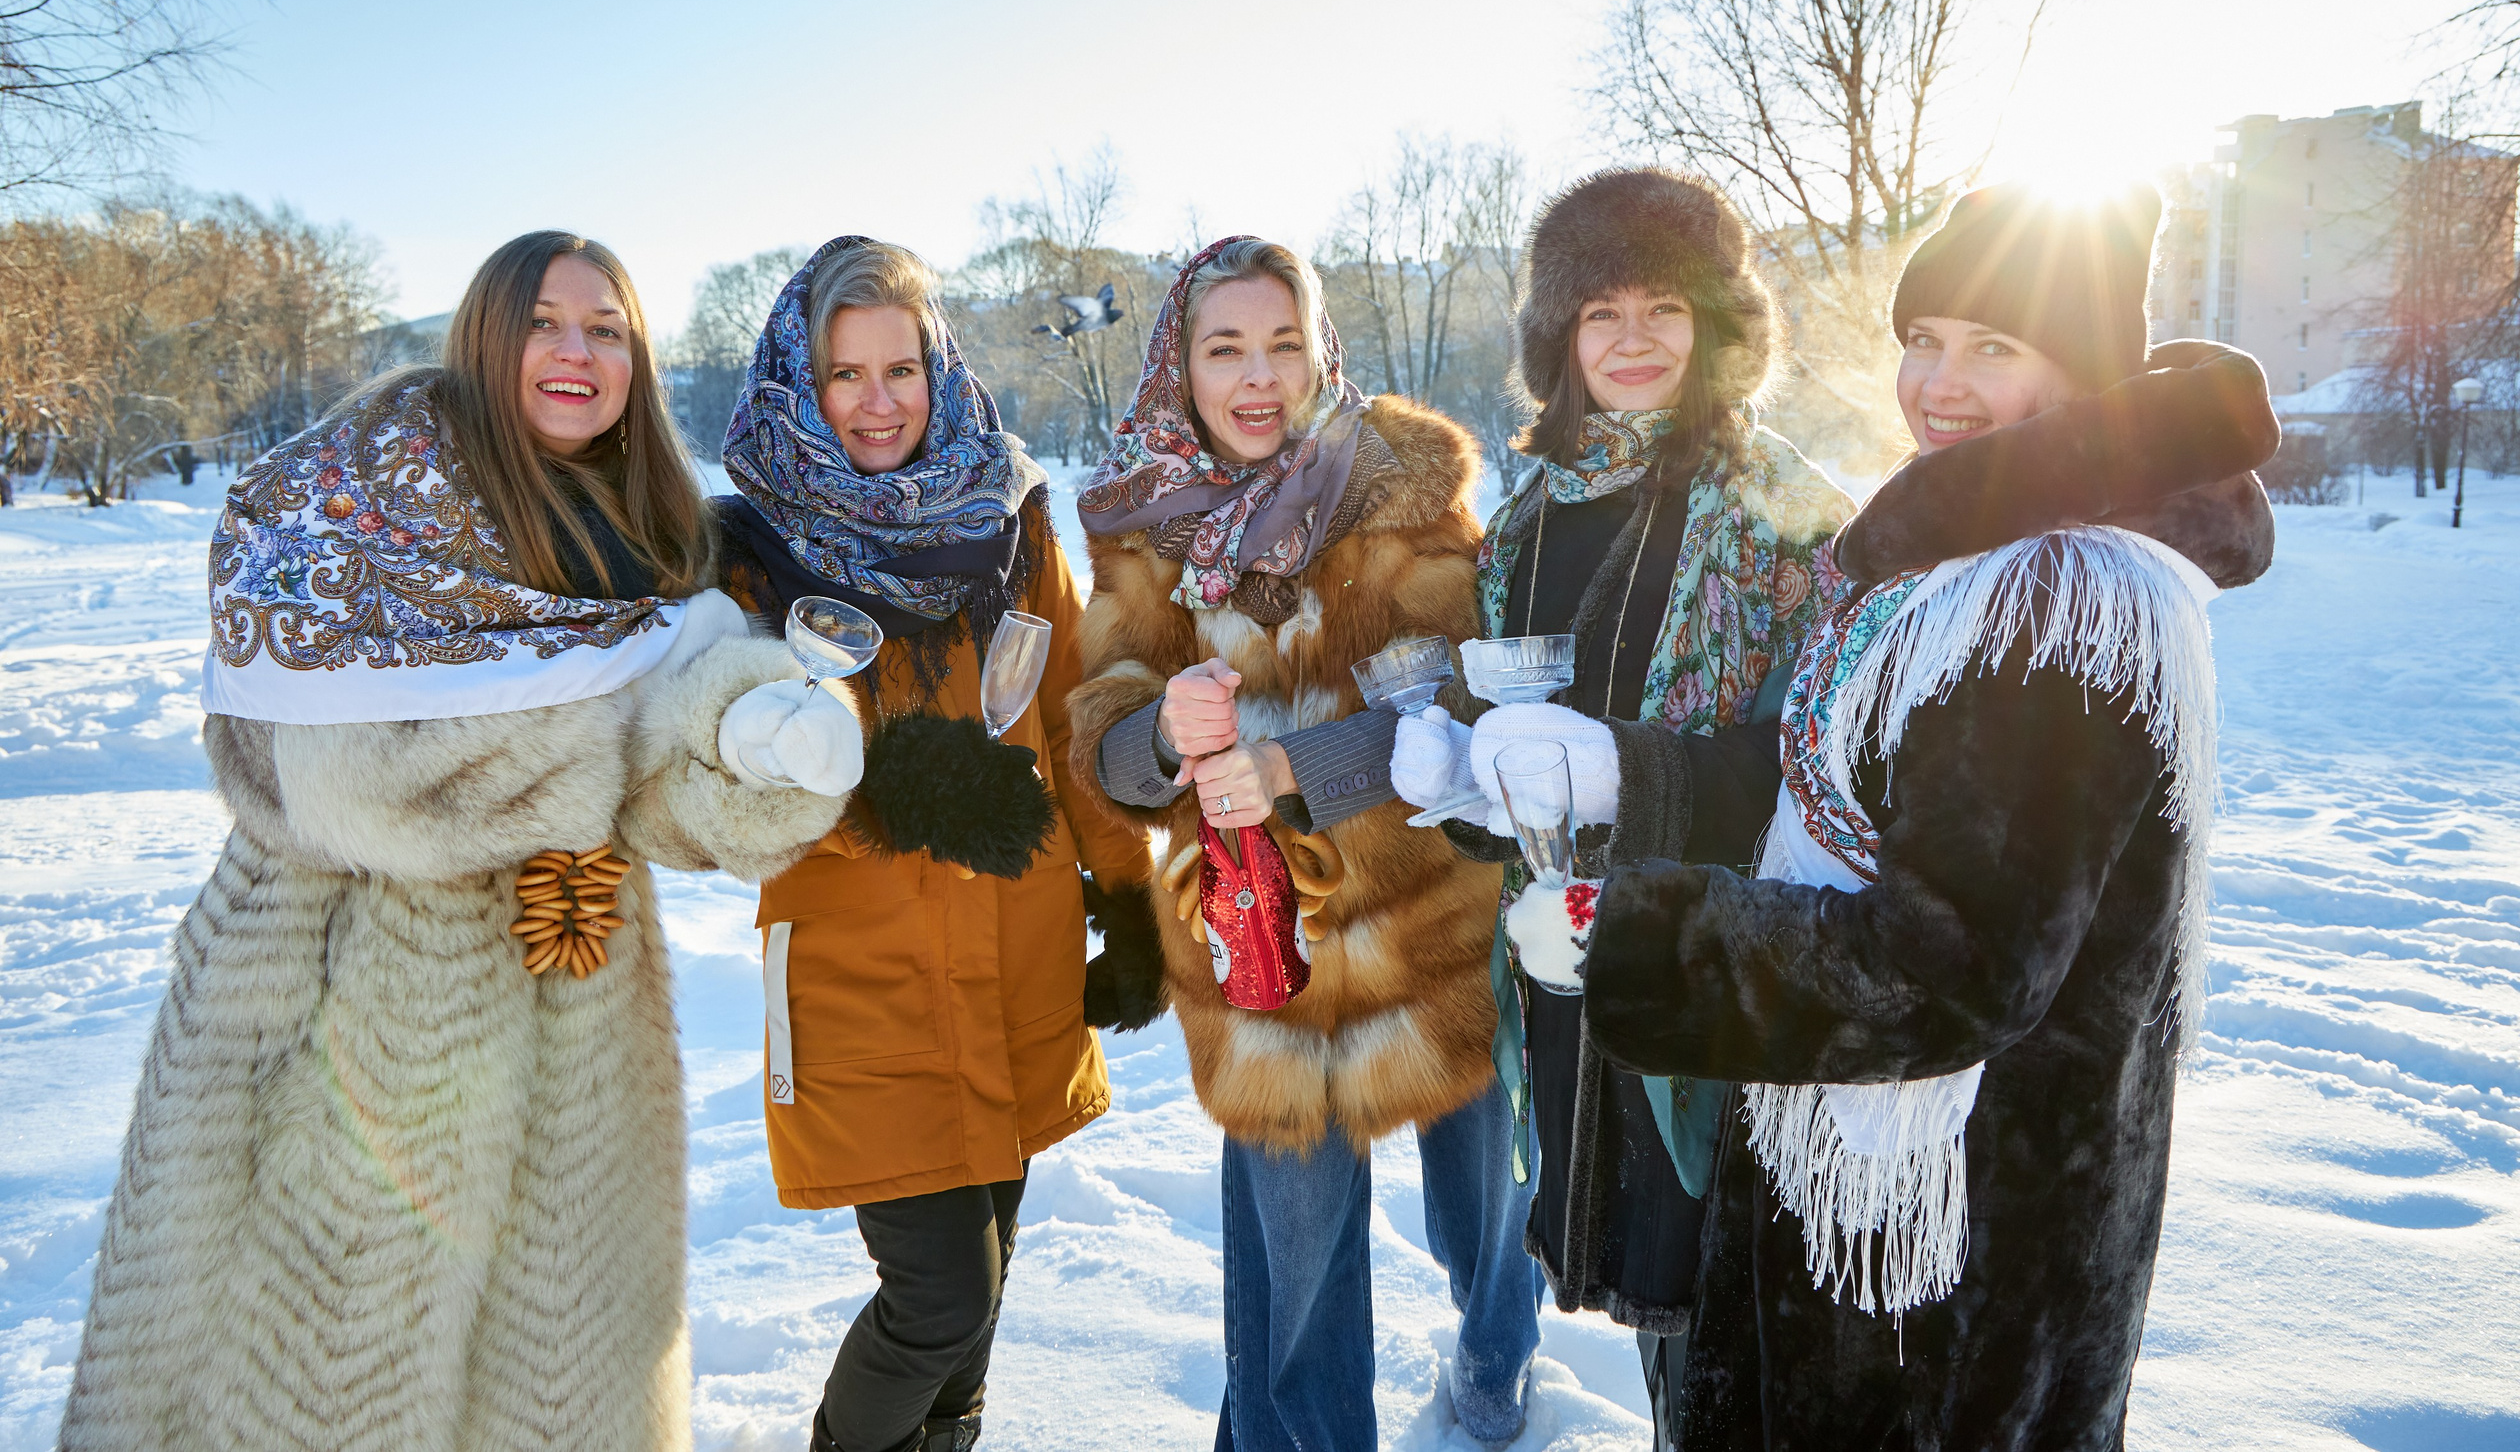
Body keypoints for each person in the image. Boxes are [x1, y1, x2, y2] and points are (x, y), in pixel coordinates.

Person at [60, 232, 865, 1452]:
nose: (576, 352)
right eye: (545, 322)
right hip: (346, 1006)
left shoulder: (645, 525)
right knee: (313, 1383)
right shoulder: (356, 496)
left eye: (607, 329)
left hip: (574, 1012)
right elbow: (337, 780)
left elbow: (650, 785)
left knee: (548, 1383)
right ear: (487, 335)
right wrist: (637, 707)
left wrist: (746, 741)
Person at [1561, 183, 2283, 1449]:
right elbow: (1834, 793)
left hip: (1949, 1257)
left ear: (2079, 374)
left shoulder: (2055, 604)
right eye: (1922, 338)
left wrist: (1640, 937)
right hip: (1873, 1205)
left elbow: (1950, 971)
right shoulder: (1955, 558)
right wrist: (1612, 774)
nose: (1938, 382)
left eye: (1994, 348)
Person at [1386, 167, 1853, 1450]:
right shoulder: (1536, 510)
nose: (1633, 340)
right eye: (1600, 313)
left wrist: (1636, 777)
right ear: (1560, 339)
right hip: (1567, 962)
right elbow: (1514, 741)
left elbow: (1839, 757)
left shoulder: (1785, 504)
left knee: (1738, 1307)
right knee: (1663, 1308)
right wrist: (1461, 780)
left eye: (1662, 307)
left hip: (1733, 963)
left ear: (1716, 323)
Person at [1063, 237, 1539, 1451]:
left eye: (1283, 342)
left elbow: (1460, 705)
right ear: (1182, 364)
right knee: (1293, 1279)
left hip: (1429, 923)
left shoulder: (1402, 498)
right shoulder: (1142, 531)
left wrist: (1297, 770)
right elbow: (1102, 743)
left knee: (1485, 1213)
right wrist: (1159, 738)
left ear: (1319, 347)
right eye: (1225, 348)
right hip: (1257, 950)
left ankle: (1496, 1354)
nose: (1258, 376)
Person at [711, 236, 1155, 1452]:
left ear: (936, 366)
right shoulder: (744, 554)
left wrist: (1127, 896)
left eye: (897, 368)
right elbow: (723, 767)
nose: (876, 402)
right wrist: (899, 794)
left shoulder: (1008, 516)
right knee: (935, 1301)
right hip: (863, 975)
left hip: (1015, 955)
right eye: (843, 374)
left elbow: (1070, 715)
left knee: (984, 1297)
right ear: (799, 382)